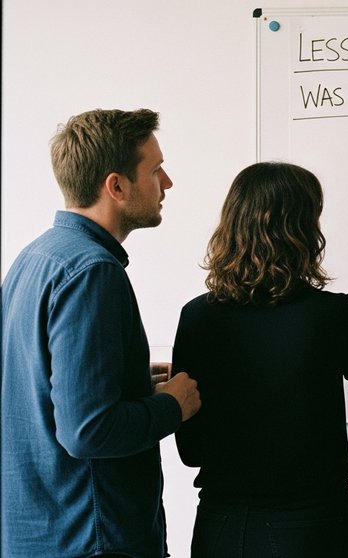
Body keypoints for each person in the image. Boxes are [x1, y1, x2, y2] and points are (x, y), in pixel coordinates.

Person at [172, 161, 348, 557]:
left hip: (224, 527)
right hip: (312, 525)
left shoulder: (196, 317)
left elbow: (190, 449)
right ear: (304, 229)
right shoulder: (332, 314)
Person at [1, 108, 201, 557]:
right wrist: (172, 406)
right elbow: (87, 431)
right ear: (116, 186)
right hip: (91, 538)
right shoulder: (93, 273)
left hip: (41, 535)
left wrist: (129, 380)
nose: (166, 182)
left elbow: (35, 392)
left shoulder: (32, 260)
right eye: (155, 170)